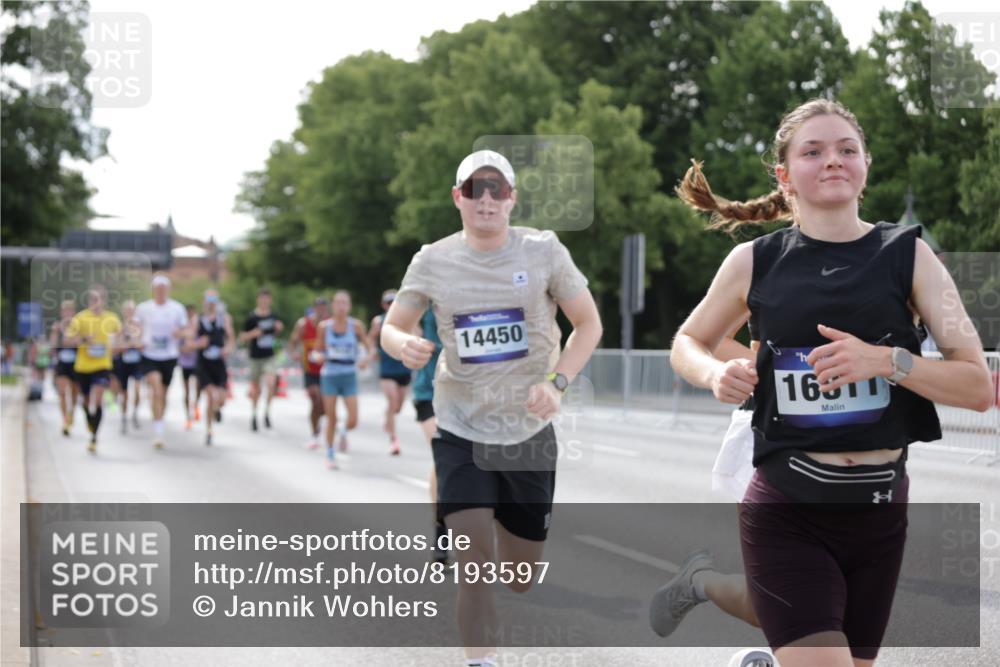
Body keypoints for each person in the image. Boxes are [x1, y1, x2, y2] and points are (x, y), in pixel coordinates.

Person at [654, 98, 993, 667]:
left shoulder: (911, 258)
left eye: (846, 149)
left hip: (881, 510)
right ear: (785, 175)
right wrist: (716, 372)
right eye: (813, 151)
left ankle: (710, 592)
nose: (833, 159)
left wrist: (887, 362)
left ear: (865, 166)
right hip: (788, 506)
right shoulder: (754, 261)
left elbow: (978, 387)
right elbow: (688, 341)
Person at [380, 149, 603, 667]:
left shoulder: (543, 250)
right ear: (457, 197)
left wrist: (557, 382)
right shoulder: (432, 259)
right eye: (474, 189)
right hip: (461, 427)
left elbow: (588, 324)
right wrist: (401, 343)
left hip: (528, 432)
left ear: (512, 198)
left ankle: (510, 535)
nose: (486, 199)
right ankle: (481, 660)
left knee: (520, 577)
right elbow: (393, 326)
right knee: (473, 564)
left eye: (496, 189)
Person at [412, 306, 451, 566]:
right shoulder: (426, 292)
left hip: (472, 393)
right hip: (430, 390)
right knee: (443, 452)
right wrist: (409, 343)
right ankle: (441, 531)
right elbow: (400, 326)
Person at [63, 284, 121, 453]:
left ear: (104, 300)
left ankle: (94, 438)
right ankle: (90, 419)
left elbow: (120, 336)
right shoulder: (80, 318)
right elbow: (67, 340)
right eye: (93, 299)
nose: (96, 302)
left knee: (98, 398)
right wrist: (83, 339)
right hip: (83, 366)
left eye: (99, 298)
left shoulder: (111, 318)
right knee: (86, 402)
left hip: (102, 365)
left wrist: (117, 344)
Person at [316, 290, 370, 469]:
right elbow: (316, 350)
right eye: (338, 303)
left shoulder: (356, 326)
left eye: (344, 303)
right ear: (333, 306)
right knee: (331, 417)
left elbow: (369, 348)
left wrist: (365, 359)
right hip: (330, 375)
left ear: (349, 306)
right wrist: (318, 356)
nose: (341, 307)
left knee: (353, 419)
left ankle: (343, 431)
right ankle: (330, 454)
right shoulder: (324, 327)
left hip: (349, 375)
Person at [135, 274, 189, 449]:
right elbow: (135, 328)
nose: (160, 291)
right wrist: (137, 340)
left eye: (163, 288)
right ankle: (158, 432)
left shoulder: (177, 308)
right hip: (150, 355)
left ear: (168, 289)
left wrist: (179, 334)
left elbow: (186, 331)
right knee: (156, 390)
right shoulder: (143, 308)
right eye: (157, 288)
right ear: (153, 289)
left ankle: (159, 421)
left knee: (163, 395)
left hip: (169, 355)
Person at [369, 290, 413, 455]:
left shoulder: (408, 319)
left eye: (394, 301)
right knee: (393, 401)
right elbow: (370, 338)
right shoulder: (379, 321)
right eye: (388, 302)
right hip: (387, 368)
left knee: (398, 407)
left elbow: (419, 334)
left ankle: (388, 416)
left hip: (403, 367)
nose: (391, 305)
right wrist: (372, 351)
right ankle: (394, 440)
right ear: (383, 305)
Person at [192, 289, 234, 446]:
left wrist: (227, 349)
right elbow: (189, 341)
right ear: (204, 302)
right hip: (204, 364)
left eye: (213, 302)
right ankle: (209, 431)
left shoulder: (224, 319)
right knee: (211, 397)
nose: (210, 305)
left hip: (219, 364)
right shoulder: (198, 319)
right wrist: (199, 343)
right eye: (208, 302)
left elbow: (231, 339)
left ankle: (217, 410)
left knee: (221, 399)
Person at [239, 287, 284, 432]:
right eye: (262, 298)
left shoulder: (273, 316)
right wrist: (253, 334)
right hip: (255, 357)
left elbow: (278, 333)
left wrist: (279, 328)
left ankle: (267, 412)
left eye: (267, 298)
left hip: (269, 356)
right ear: (258, 300)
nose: (264, 301)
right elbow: (243, 336)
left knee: (271, 383)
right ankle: (254, 414)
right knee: (256, 389)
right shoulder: (252, 317)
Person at [288, 296, 330, 449]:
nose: (321, 310)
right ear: (314, 308)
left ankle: (320, 419)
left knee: (324, 405)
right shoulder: (303, 324)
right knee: (315, 398)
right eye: (318, 307)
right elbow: (293, 341)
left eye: (323, 307)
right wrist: (294, 352)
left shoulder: (330, 324)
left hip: (327, 369)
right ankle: (314, 432)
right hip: (310, 369)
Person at [111, 299, 144, 434]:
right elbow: (115, 348)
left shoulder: (140, 327)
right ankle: (124, 417)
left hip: (137, 363)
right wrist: (127, 344)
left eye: (131, 310)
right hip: (123, 364)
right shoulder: (119, 328)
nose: (129, 313)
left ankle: (135, 412)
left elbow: (142, 345)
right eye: (127, 310)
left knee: (137, 390)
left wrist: (133, 343)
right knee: (124, 393)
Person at [50, 299, 81, 436]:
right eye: (65, 311)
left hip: (76, 363)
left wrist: (71, 340)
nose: (67, 313)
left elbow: (78, 343)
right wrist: (56, 334)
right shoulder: (57, 327)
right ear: (61, 313)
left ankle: (71, 413)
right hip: (62, 363)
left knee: (74, 393)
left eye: (70, 310)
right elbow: (53, 346)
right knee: (62, 393)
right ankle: (65, 421)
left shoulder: (78, 326)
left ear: (73, 312)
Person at [178, 304, 201, 430]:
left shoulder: (199, 328)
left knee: (198, 387)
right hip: (185, 363)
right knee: (186, 390)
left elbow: (202, 343)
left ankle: (196, 405)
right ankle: (188, 416)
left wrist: (193, 346)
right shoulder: (182, 329)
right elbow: (178, 346)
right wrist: (185, 348)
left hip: (197, 363)